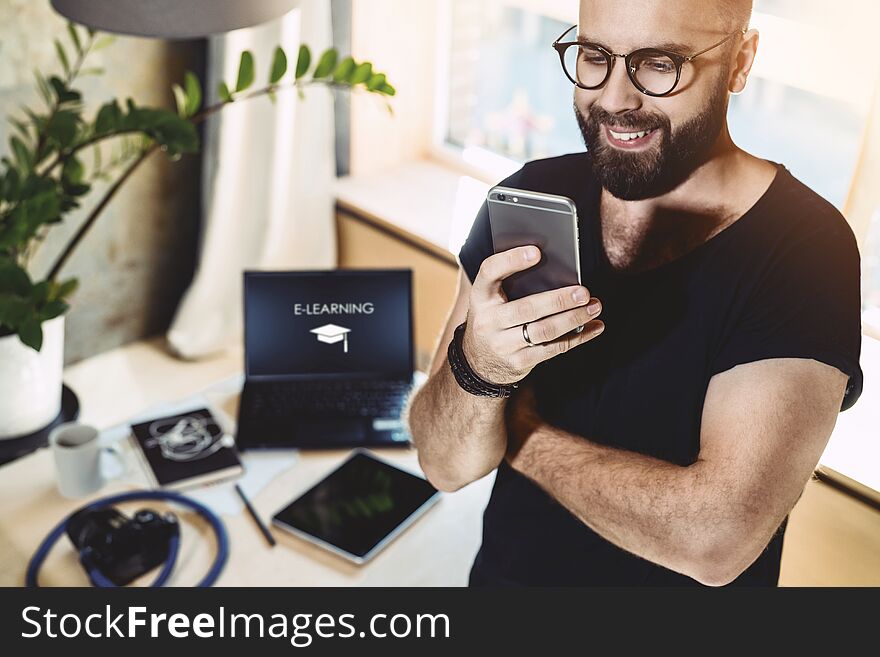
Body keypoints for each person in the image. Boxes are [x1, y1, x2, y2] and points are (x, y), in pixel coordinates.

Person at [404, 0, 863, 586]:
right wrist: (482, 367)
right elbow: (443, 462)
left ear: (741, 62)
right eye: (595, 57)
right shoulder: (530, 194)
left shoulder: (804, 251)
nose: (616, 98)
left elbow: (715, 540)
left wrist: (517, 431)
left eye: (659, 63)